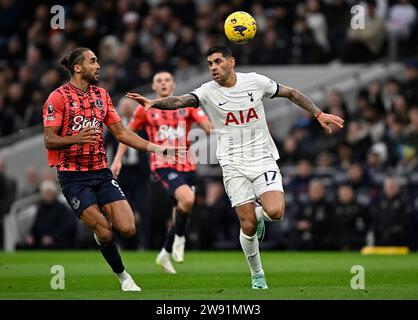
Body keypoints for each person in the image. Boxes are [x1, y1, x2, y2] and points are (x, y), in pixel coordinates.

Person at [125, 45, 344, 289]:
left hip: (262, 158)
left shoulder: (255, 82)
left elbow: (290, 92)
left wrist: (318, 113)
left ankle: (260, 215)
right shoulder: (207, 91)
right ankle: (257, 275)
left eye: (218, 62)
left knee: (276, 212)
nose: (213, 68)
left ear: (231, 62)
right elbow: (180, 100)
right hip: (232, 164)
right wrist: (154, 104)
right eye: (209, 64)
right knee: (247, 225)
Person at [42, 47, 180, 292]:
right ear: (77, 67)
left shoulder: (102, 95)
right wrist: (76, 138)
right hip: (73, 177)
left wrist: (158, 149)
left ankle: (100, 229)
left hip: (101, 173)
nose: (98, 66)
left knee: (128, 228)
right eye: (93, 61)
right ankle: (124, 278)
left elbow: (122, 133)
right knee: (106, 234)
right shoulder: (58, 97)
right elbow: (50, 140)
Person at [111, 71, 212, 274]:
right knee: (188, 200)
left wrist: (222, 128)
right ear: (154, 87)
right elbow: (126, 135)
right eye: (159, 81)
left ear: (173, 85)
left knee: (182, 209)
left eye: (167, 80)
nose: (163, 83)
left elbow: (208, 127)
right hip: (163, 164)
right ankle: (180, 239)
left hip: (188, 166)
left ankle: (165, 254)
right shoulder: (145, 110)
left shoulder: (187, 106)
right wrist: (117, 159)